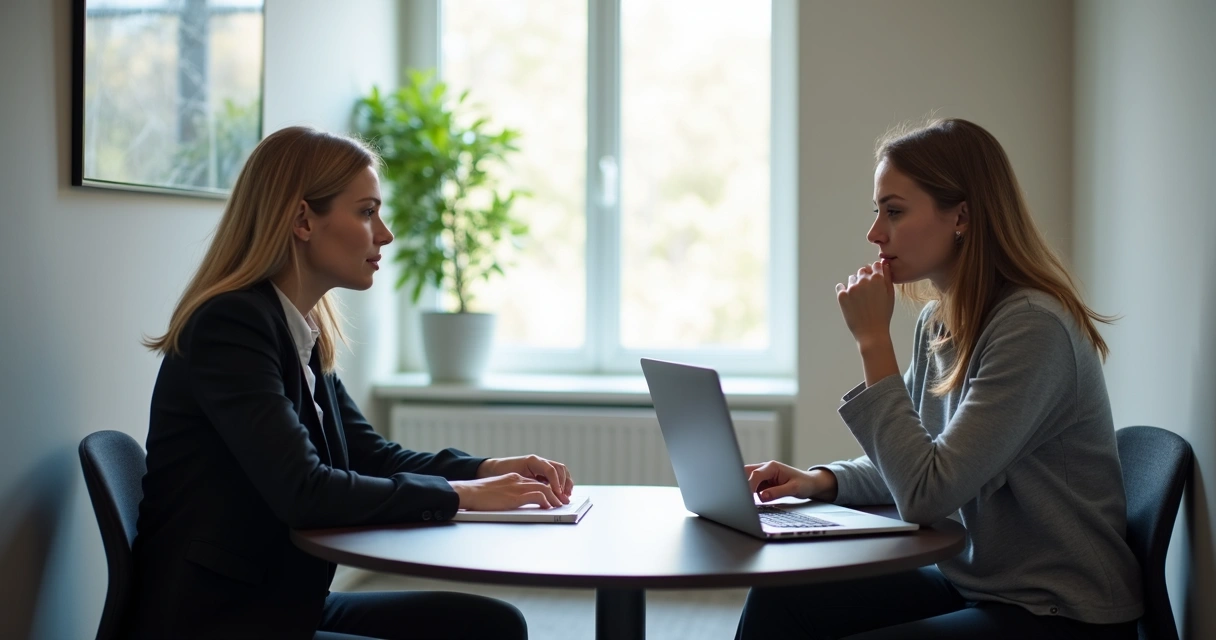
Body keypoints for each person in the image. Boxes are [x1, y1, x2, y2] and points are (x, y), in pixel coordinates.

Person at [129, 126, 572, 640]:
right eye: (366, 212)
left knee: (491, 624)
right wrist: (463, 495)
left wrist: (489, 470)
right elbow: (305, 491)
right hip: (219, 621)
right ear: (301, 219)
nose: (384, 233)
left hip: (285, 603)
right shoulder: (231, 326)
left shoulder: (299, 329)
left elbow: (372, 455)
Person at [736, 118, 1142, 639]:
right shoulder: (941, 321)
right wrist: (821, 481)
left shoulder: (1031, 329)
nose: (875, 232)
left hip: (1057, 610)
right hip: (981, 586)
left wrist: (872, 343)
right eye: (878, 211)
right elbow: (918, 461)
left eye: (895, 211)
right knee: (782, 599)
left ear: (962, 217)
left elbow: (926, 495)